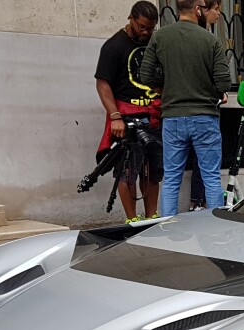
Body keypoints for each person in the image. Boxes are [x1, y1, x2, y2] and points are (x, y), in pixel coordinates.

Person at [140, 0, 234, 217]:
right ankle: (214, 229)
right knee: (211, 177)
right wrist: (209, 89)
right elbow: (223, 84)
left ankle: (167, 227)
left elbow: (145, 75)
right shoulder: (210, 40)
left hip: (172, 117)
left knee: (172, 178)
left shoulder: (160, 36)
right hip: (204, 116)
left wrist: (165, 88)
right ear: (197, 9)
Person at [94, 1, 162, 221]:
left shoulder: (155, 42)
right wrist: (115, 116)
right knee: (127, 172)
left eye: (150, 28)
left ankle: (151, 217)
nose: (146, 32)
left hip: (153, 115)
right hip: (127, 116)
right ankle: (132, 218)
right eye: (142, 27)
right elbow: (103, 83)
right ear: (131, 18)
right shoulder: (114, 46)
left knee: (152, 172)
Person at [188, 0, 224, 211]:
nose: (219, 14)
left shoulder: (209, 37)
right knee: (208, 163)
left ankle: (198, 201)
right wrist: (219, 90)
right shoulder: (205, 39)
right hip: (202, 107)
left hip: (199, 104)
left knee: (202, 160)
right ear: (202, 10)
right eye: (216, 10)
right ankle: (201, 204)